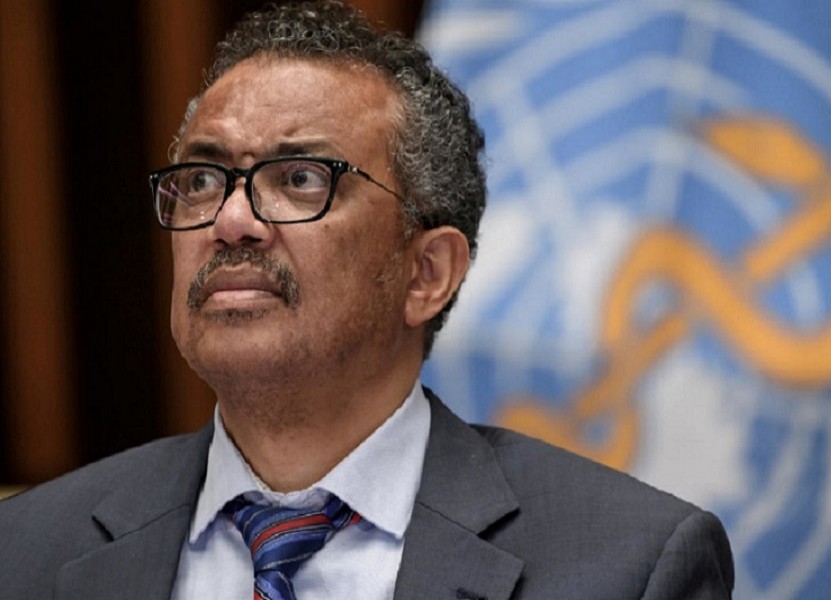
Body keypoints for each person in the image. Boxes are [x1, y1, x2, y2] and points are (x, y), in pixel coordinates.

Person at [0, 1, 734, 598]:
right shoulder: (26, 552)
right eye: (201, 179)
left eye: (299, 179)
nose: (230, 219)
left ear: (427, 273)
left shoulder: (626, 567)